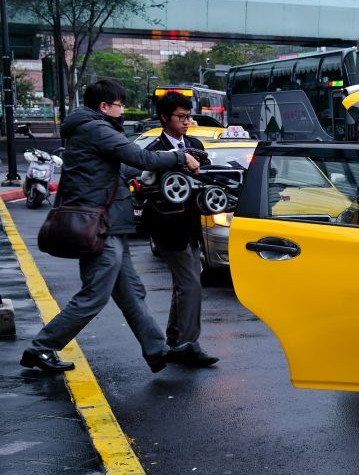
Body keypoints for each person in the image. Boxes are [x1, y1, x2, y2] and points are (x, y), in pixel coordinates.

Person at [20, 80, 201, 374]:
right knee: (94, 295)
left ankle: (157, 350)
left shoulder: (91, 129)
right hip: (100, 226)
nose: (122, 111)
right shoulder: (96, 129)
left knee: (132, 293)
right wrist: (178, 156)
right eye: (119, 105)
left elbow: (121, 168)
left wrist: (153, 168)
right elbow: (139, 156)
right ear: (104, 106)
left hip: (111, 224)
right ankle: (41, 348)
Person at [141, 92, 219, 367]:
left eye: (189, 116)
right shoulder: (153, 151)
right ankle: (188, 344)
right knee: (190, 284)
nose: (187, 122)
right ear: (165, 117)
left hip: (191, 225)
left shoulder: (196, 144)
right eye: (181, 117)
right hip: (166, 226)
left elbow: (208, 176)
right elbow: (146, 190)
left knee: (183, 284)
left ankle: (175, 339)